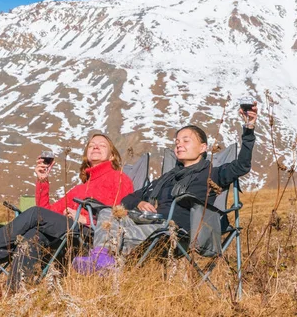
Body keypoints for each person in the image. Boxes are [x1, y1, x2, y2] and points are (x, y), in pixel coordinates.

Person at [73, 103, 258, 274]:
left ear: (203, 147)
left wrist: (248, 129)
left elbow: (242, 166)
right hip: (151, 224)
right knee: (107, 213)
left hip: (176, 231)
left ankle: (102, 263)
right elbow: (127, 199)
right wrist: (141, 202)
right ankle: (102, 260)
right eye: (177, 141)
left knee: (121, 233)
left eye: (186, 141)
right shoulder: (166, 178)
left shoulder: (211, 174)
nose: (179, 144)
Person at [0, 133, 134, 287]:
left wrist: (86, 219)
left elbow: (121, 213)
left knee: (35, 215)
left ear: (112, 156)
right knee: (34, 235)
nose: (95, 146)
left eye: (102, 145)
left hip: (92, 236)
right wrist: (43, 181)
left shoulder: (120, 178)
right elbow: (47, 212)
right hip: (69, 233)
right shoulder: (80, 187)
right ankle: (16, 291)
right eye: (91, 144)